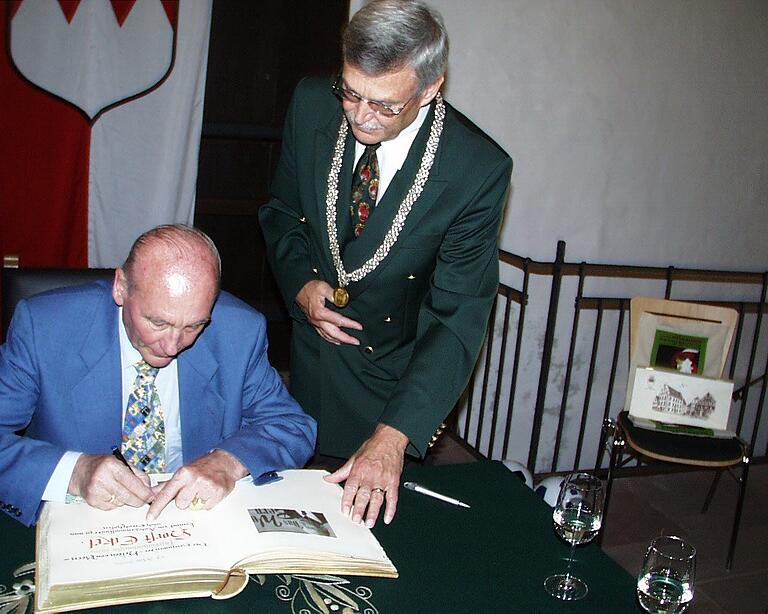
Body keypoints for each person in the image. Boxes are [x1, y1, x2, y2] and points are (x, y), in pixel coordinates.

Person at [259, 0, 512, 529]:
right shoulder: (311, 103)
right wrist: (300, 283)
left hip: (391, 389)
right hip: (306, 369)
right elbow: (281, 213)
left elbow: (457, 316)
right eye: (351, 92)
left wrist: (395, 435)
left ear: (430, 87)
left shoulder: (474, 170)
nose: (362, 116)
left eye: (386, 105)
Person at [0, 224, 316, 526]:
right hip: (79, 525)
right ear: (121, 287)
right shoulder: (44, 328)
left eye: (194, 326)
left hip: (195, 525)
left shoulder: (238, 332)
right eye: (158, 323)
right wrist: (74, 473)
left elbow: (291, 426)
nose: (173, 345)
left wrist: (226, 462)